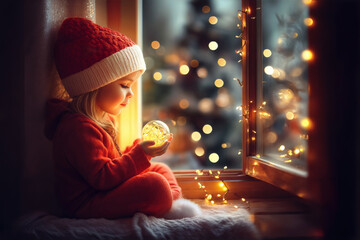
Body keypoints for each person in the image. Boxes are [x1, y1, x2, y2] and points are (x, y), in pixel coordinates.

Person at [44, 17, 185, 219]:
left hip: (104, 192)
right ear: (93, 86)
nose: (131, 94)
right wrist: (139, 154)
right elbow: (102, 178)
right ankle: (164, 199)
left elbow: (112, 162)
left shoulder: (100, 119)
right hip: (88, 203)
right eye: (125, 85)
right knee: (154, 185)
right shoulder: (76, 128)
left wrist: (140, 149)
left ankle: (166, 200)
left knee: (160, 169)